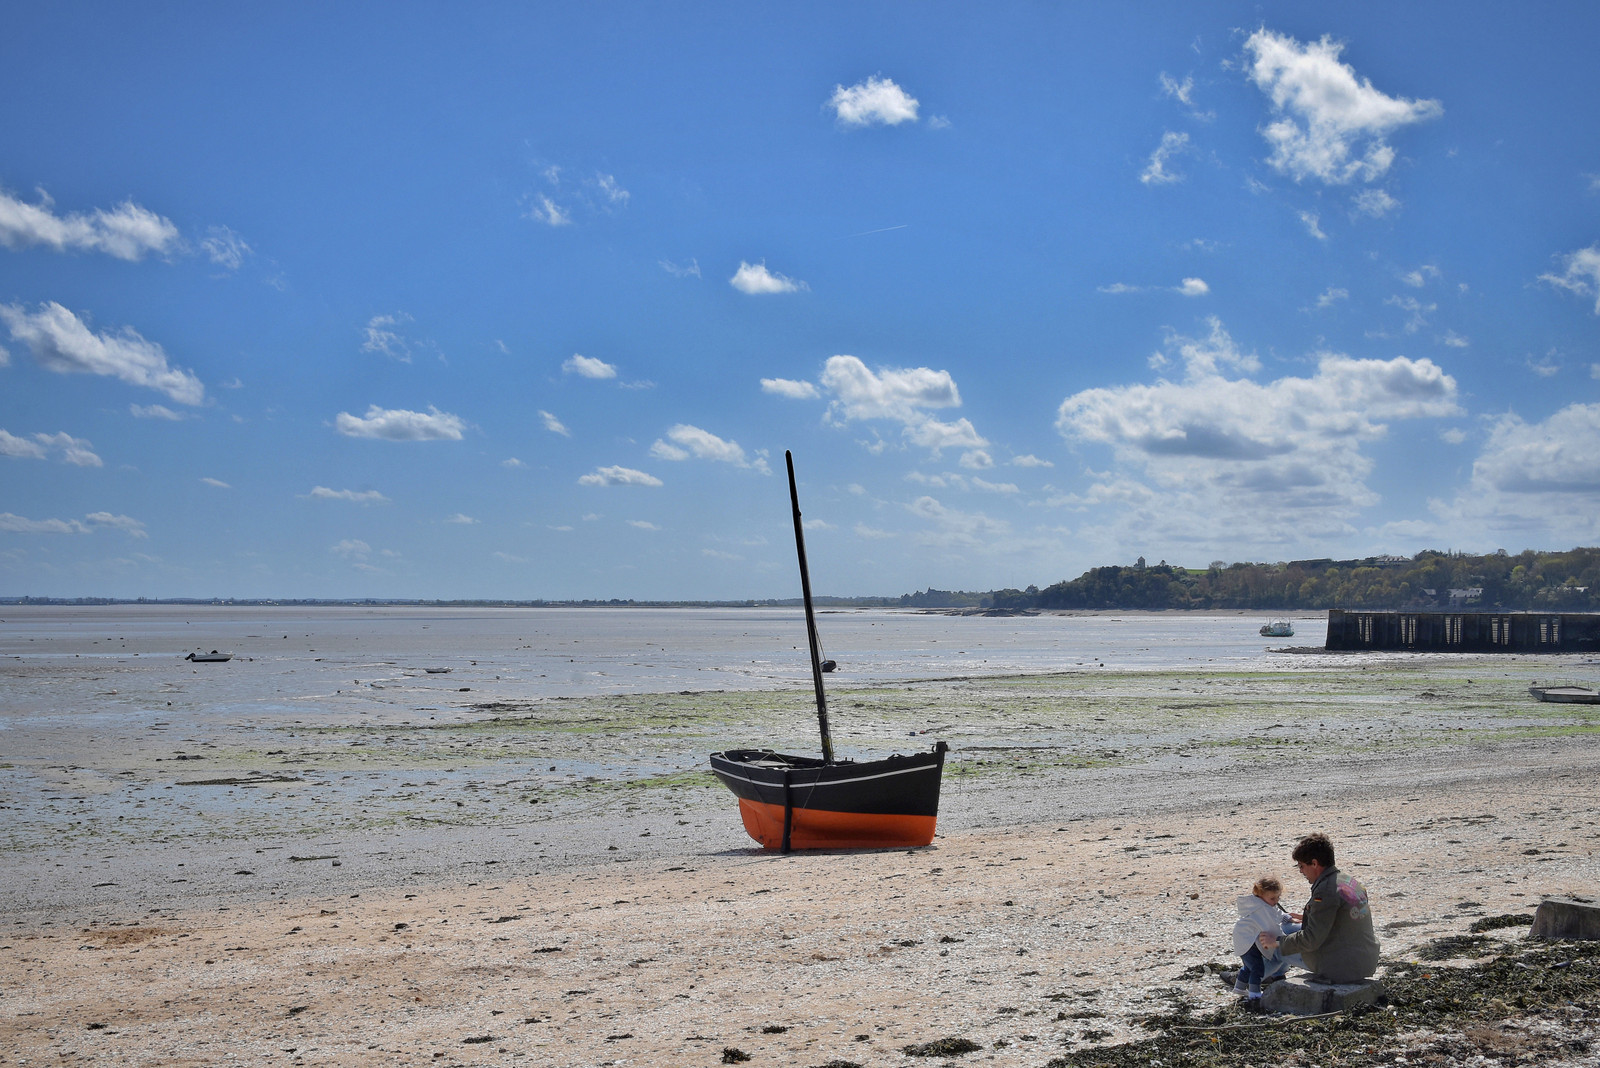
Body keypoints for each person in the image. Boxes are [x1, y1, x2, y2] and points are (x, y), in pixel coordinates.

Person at [1259, 833, 1380, 984]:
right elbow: (1345, 917)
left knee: (1275, 946)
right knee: (1286, 927)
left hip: (1342, 965)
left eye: (1302, 866)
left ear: (1315, 863)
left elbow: (1311, 940)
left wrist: (1276, 941)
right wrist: (1307, 918)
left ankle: (1247, 979)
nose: (1301, 871)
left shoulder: (1326, 890)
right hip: (1363, 957)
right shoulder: (1349, 881)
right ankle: (1273, 975)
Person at [1230, 876, 1300, 1004]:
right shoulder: (1261, 909)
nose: (1276, 901)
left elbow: (1277, 913)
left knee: (1248, 966)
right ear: (1261, 895)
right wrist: (1283, 940)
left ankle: (1239, 987)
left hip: (1246, 939)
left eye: (1278, 897)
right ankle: (1255, 994)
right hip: (1247, 941)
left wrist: (1289, 918)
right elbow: (1272, 926)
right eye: (1272, 898)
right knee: (1257, 968)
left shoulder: (1261, 904)